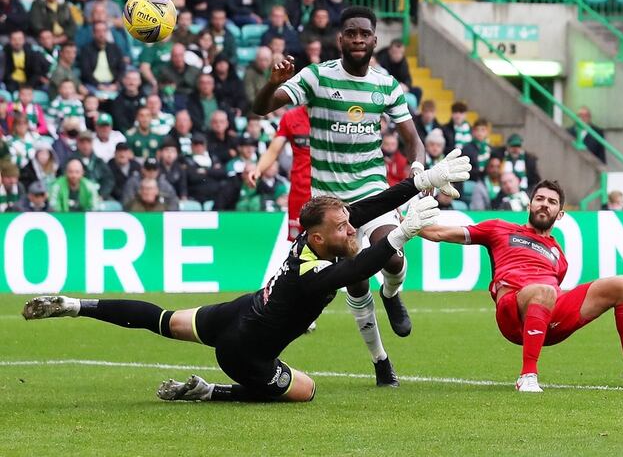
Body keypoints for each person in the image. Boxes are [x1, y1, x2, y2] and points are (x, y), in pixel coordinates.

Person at [21, 168, 465, 401]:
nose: (352, 230)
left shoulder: (309, 241)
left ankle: (77, 304)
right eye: (344, 227)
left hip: (235, 312)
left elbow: (365, 210)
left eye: (349, 224)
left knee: (159, 319)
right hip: (244, 352)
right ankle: (209, 391)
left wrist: (417, 184)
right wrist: (402, 234)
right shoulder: (316, 272)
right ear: (318, 237)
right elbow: (355, 272)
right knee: (305, 390)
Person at [252, 6, 430, 368]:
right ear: (341, 39)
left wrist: (418, 166)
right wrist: (272, 82)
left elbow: (413, 139)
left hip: (372, 190)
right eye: (351, 33)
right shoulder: (316, 78)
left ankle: (392, 293)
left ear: (375, 40)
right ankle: (380, 359)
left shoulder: (386, 85)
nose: (358, 39)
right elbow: (261, 109)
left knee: (392, 256)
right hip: (330, 203)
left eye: (364, 33)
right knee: (356, 279)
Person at [420, 180, 623, 392]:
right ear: (530, 204)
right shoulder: (499, 229)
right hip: (513, 311)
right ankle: (527, 375)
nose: (545, 204)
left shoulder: (558, 254)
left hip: (547, 314)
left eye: (552, 202)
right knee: (544, 291)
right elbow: (439, 233)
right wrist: (406, 222)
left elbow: (555, 291)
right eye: (540, 199)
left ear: (560, 213)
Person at [248, 106, 310, 241]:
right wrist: (258, 169)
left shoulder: (334, 114)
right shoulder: (291, 117)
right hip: (300, 191)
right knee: (298, 242)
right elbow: (273, 150)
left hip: (329, 190)